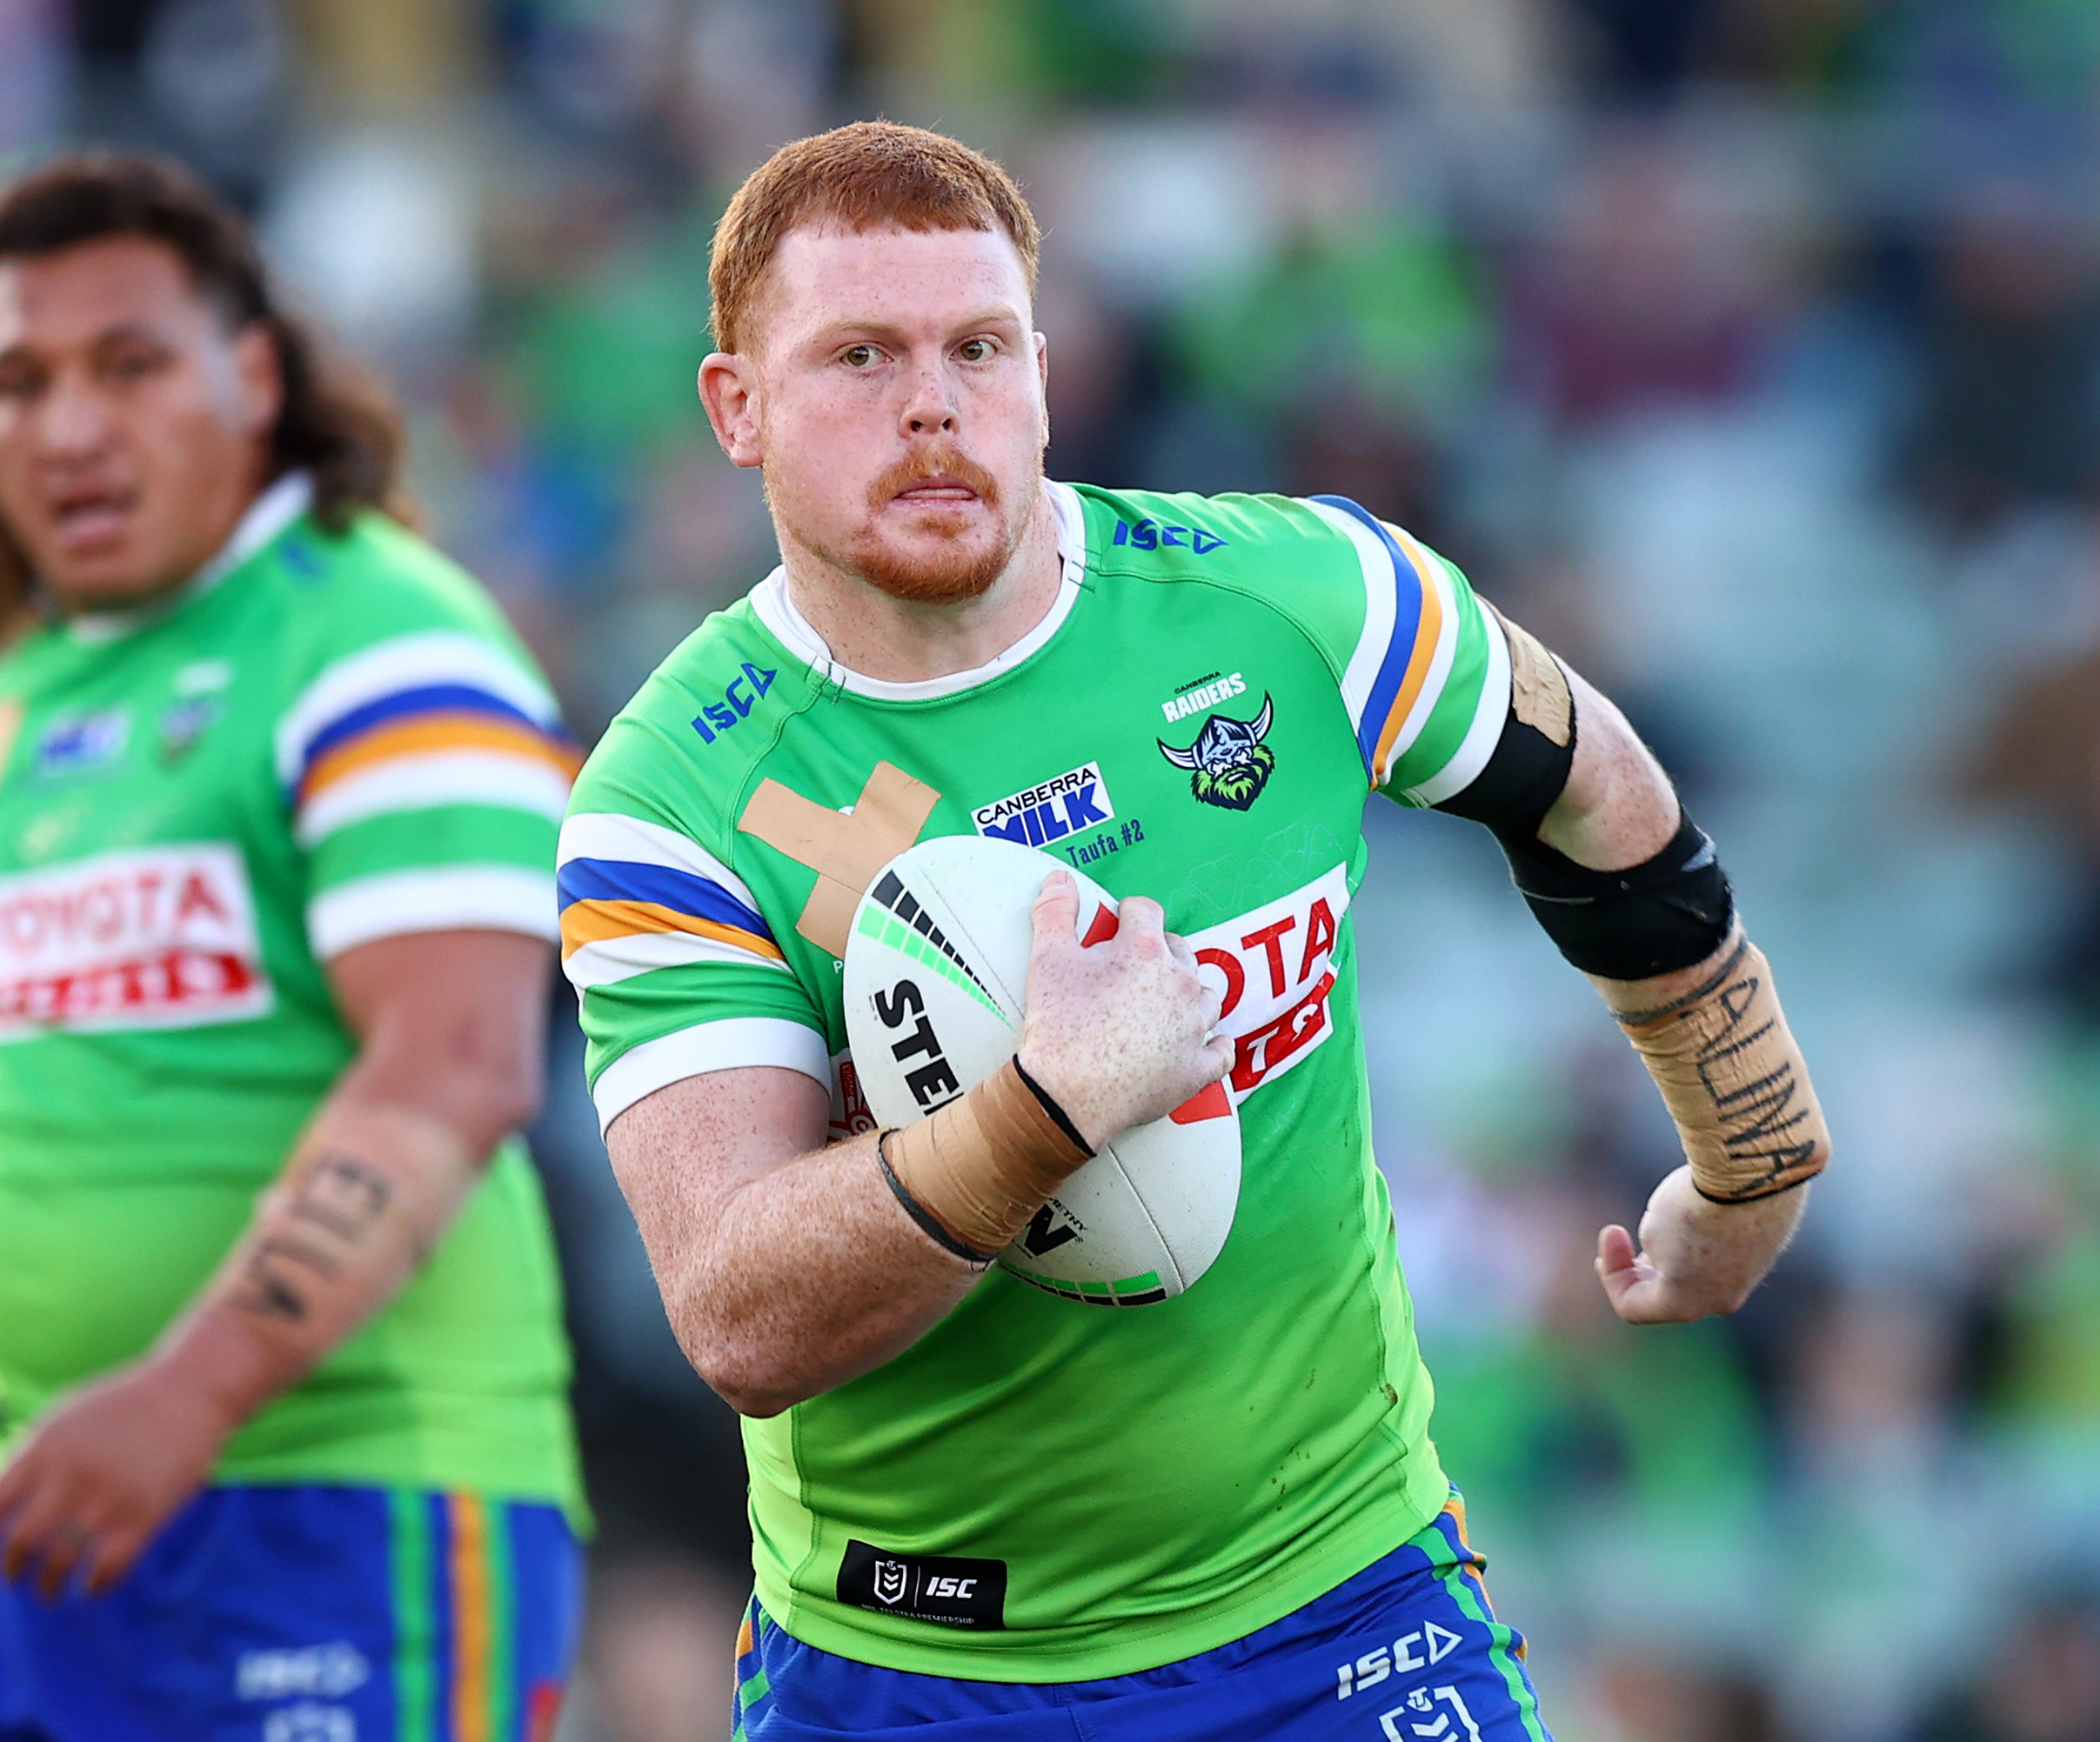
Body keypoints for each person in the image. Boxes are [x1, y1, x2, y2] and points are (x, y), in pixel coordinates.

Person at [559, 122, 1830, 1740]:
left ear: (1044, 365)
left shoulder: (1303, 597)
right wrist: (1047, 1111)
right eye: (859, 357)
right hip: (925, 1668)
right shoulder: (671, 799)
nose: (934, 405)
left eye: (980, 347)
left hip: (1345, 1597)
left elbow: (1606, 797)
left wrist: (1753, 1157)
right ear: (736, 409)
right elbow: (739, 1315)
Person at [0, 154, 584, 1742]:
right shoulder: (0, 717)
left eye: (128, 364)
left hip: (348, 1515)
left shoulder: (387, 638)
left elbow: (460, 1068)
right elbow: (22, 1106)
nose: (68, 427)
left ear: (252, 376)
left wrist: (184, 1394)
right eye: (17, 381)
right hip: (39, 1512)